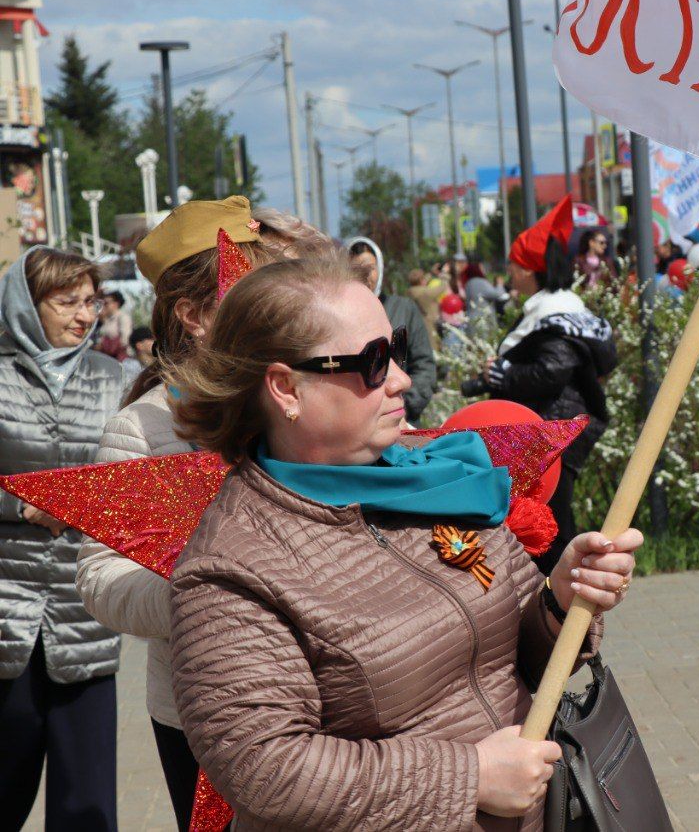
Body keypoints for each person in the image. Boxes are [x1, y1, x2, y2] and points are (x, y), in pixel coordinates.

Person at [164, 253, 640, 829]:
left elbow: (517, 655)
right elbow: (269, 768)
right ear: (286, 388)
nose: (402, 379)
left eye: (397, 349)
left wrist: (560, 602)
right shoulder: (229, 567)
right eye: (372, 362)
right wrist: (471, 777)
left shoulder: (429, 475)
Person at [75, 196, 279, 831]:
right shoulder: (140, 427)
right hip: (202, 716)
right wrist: (204, 593)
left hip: (317, 707)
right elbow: (101, 582)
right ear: (192, 315)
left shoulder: (298, 397)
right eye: (246, 291)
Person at [1, 246, 127, 831]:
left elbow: (133, 479)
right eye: (66, 301)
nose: (84, 315)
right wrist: (21, 505)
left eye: (91, 301)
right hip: (7, 617)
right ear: (26, 305)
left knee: (88, 804)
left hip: (87, 615)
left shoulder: (111, 378)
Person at [469, 198, 618, 573]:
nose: (511, 272)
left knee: (550, 531)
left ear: (530, 268)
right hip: (548, 435)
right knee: (545, 527)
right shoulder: (555, 311)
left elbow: (552, 369)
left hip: (552, 438)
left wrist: (505, 375)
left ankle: (563, 611)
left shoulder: (554, 315)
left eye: (515, 264)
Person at [346, 236, 437, 424]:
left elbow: (423, 363)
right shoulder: (341, 315)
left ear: (380, 268)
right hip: (360, 422)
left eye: (370, 267)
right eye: (356, 268)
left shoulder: (403, 308)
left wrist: (407, 405)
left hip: (403, 417)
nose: (365, 275)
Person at [407, 265, 448, 350]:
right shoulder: (425, 293)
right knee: (434, 348)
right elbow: (443, 287)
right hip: (430, 324)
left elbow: (421, 281)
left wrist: (431, 273)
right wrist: (444, 274)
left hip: (420, 322)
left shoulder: (411, 291)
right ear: (421, 280)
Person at [94, 290, 132, 361]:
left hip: (119, 358)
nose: (104, 306)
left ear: (116, 304)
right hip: (105, 356)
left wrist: (106, 345)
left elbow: (125, 340)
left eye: (106, 303)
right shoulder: (106, 319)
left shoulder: (123, 317)